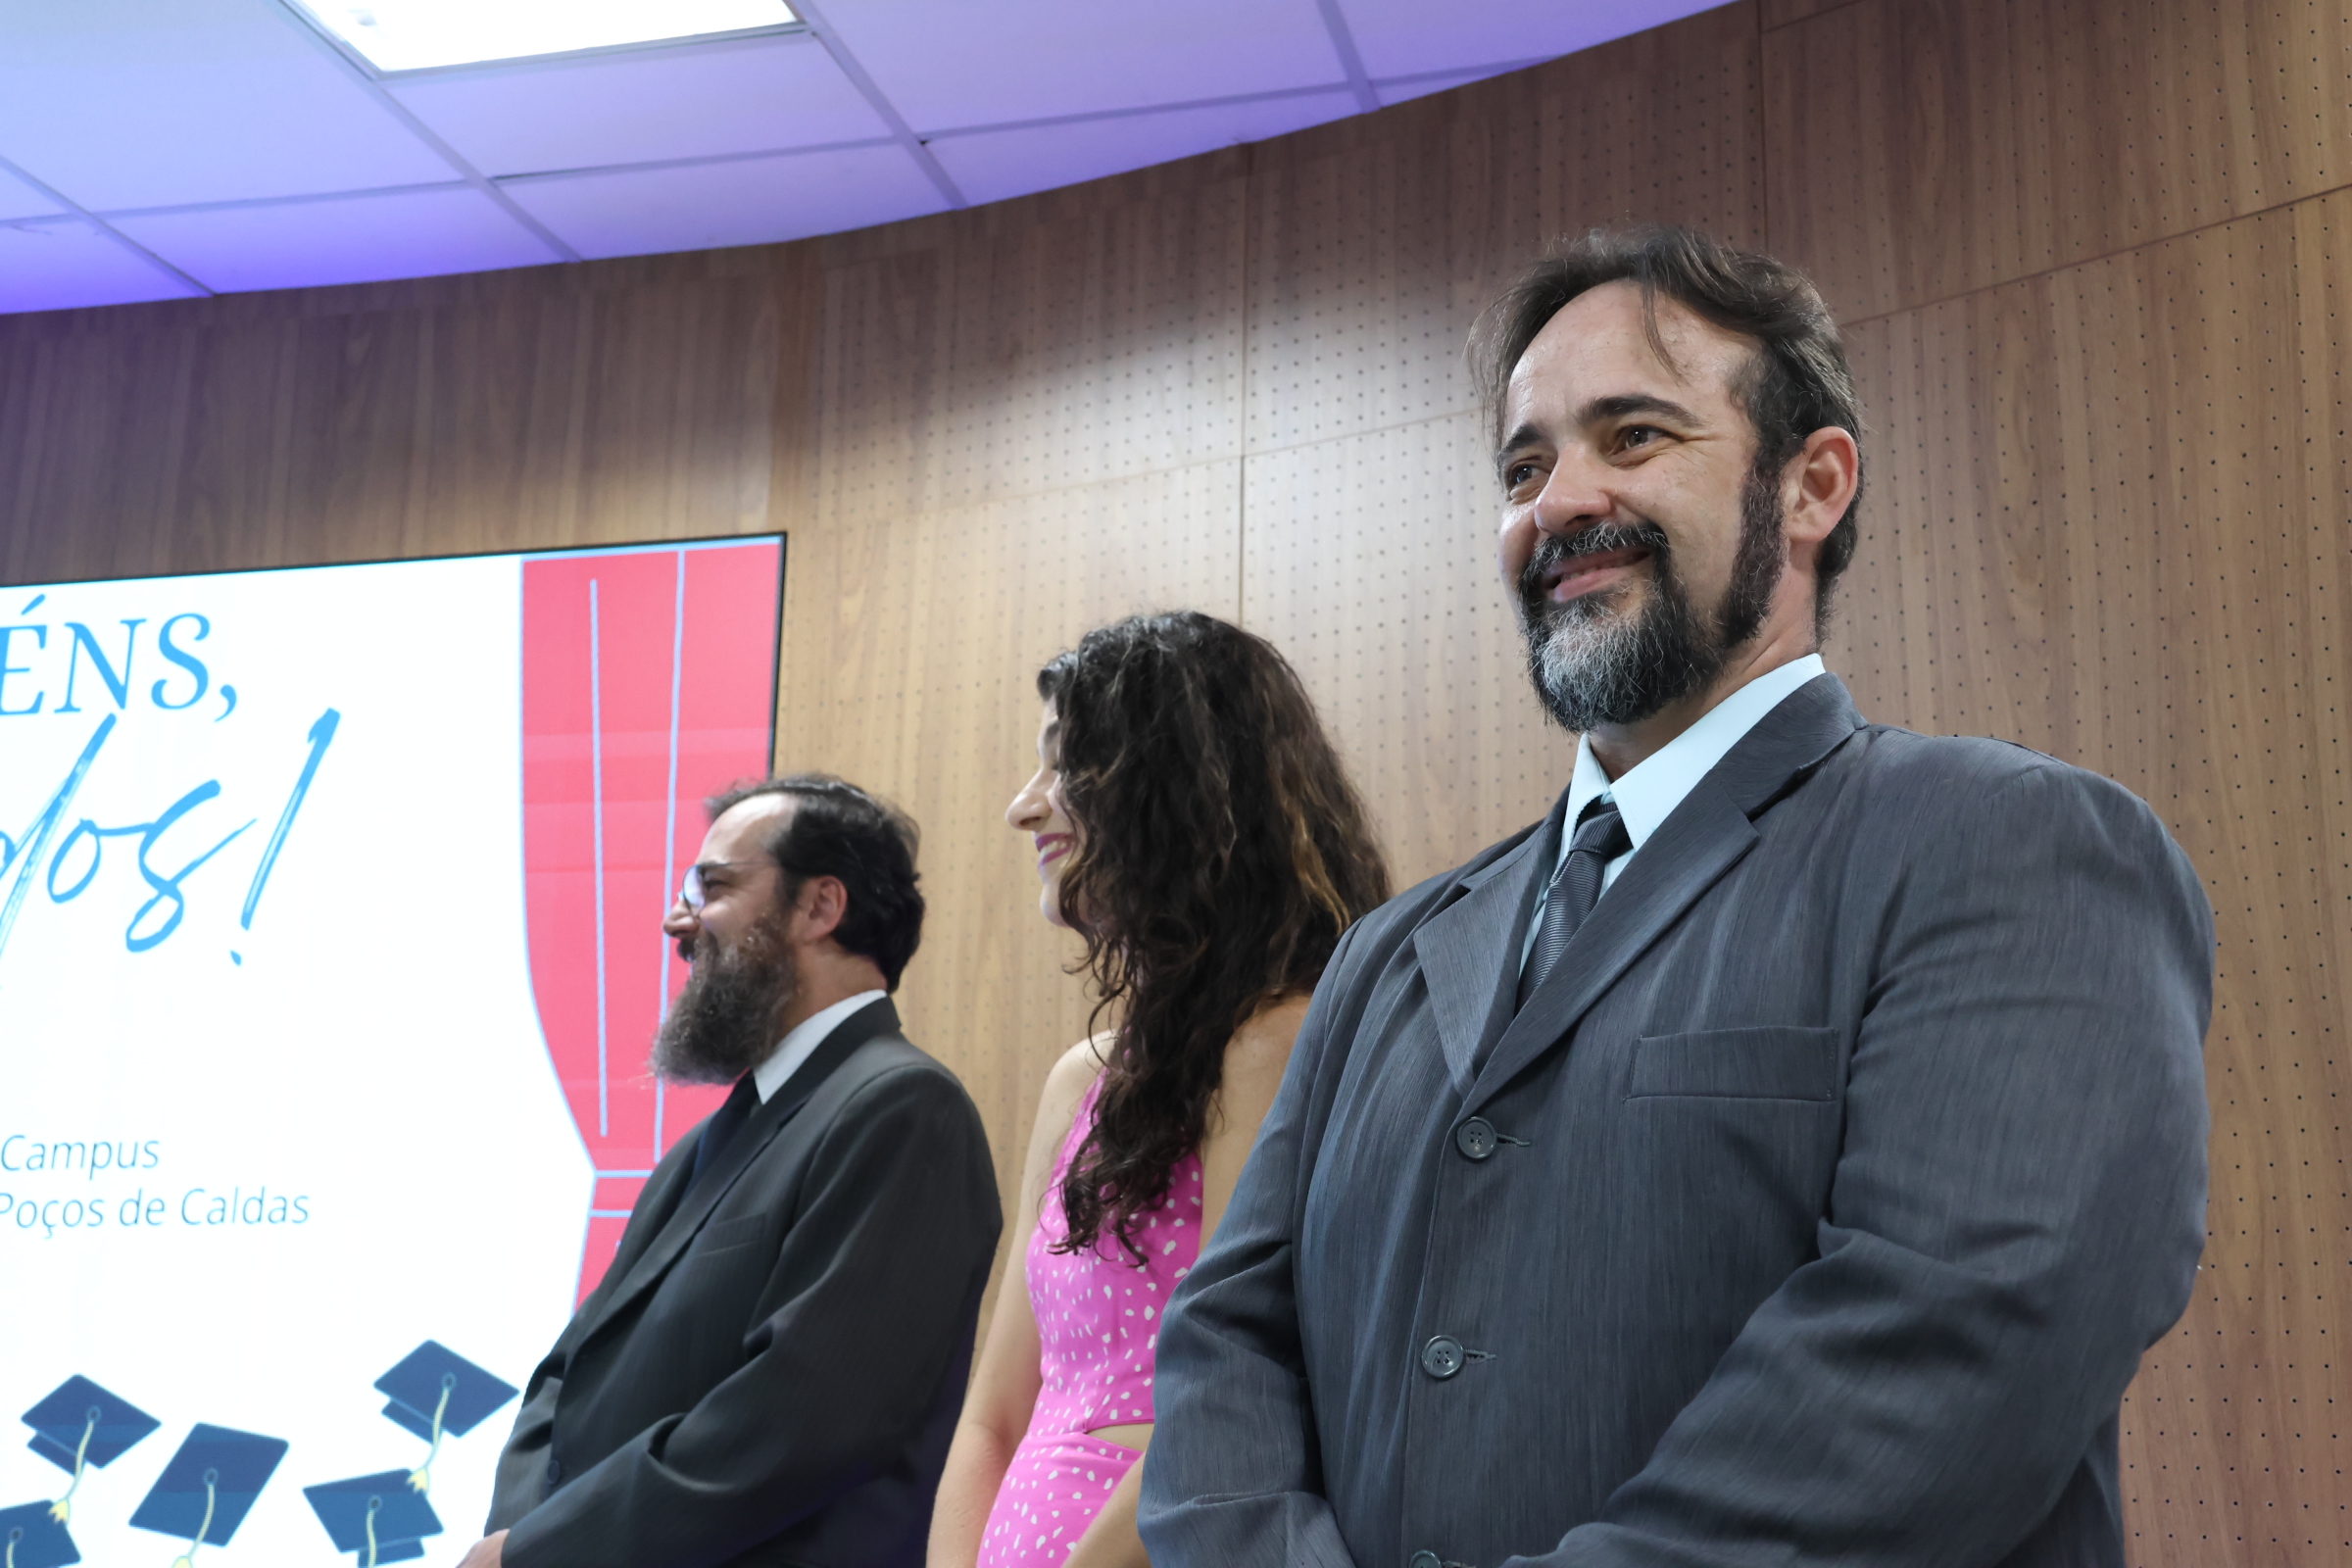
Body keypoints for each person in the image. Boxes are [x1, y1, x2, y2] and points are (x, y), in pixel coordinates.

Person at [1137, 227, 2214, 1568]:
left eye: (1633, 435)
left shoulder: (2012, 849)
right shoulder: (1387, 954)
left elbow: (1955, 1351)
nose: (1557, 502)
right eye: (1523, 467)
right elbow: (1228, 1345)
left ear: (1812, 486)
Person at [927, 612, 1391, 1568]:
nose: (1024, 807)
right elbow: (993, 1415)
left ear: (1179, 786)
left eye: (1065, 766)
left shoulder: (1273, 1043)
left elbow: (1228, 1398)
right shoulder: (1080, 1077)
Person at [466, 775, 1002, 1568]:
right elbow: (568, 1378)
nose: (676, 921)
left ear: (820, 907)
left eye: (712, 888)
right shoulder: (700, 1148)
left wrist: (545, 1549)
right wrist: (516, 1541)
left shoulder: (903, 1108)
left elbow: (803, 1421)